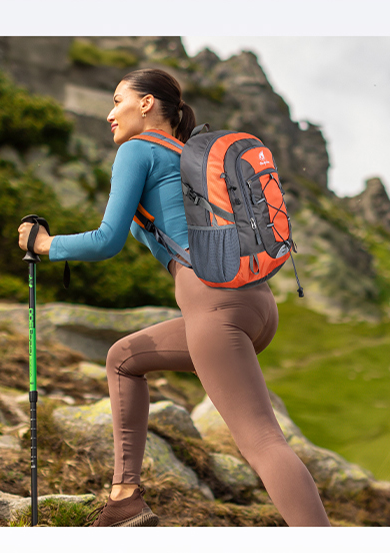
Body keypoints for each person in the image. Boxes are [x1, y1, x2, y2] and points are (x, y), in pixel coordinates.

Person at [17, 68, 331, 527]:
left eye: (117, 100)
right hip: (256, 304)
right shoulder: (189, 159)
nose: (109, 114)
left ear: (146, 104)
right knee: (123, 357)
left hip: (213, 306)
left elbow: (107, 241)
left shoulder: (137, 150)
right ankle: (124, 498)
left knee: (262, 442)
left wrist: (46, 245)